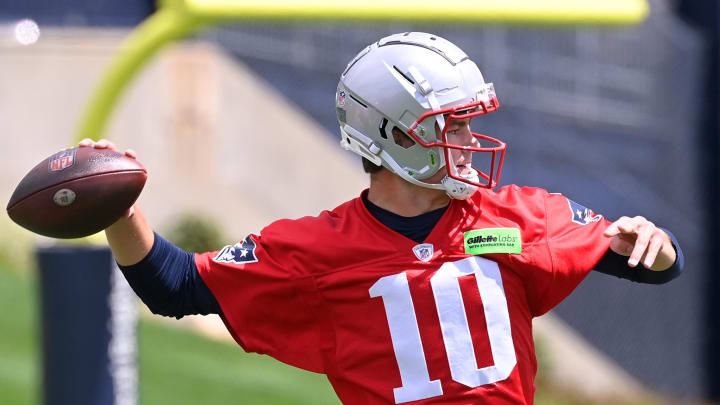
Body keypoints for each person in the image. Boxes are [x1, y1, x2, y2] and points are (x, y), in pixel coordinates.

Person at [80, 32, 683, 404]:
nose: (470, 140)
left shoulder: (515, 215)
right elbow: (175, 286)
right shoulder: (317, 248)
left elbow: (651, 267)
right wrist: (120, 208)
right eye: (453, 126)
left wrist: (656, 245)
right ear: (393, 134)